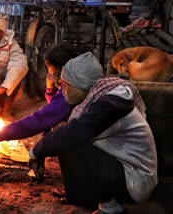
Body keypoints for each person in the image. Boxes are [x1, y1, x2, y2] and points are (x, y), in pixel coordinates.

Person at [29, 52, 157, 214]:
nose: (63, 90)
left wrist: (36, 152)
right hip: (125, 170)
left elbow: (72, 132)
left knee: (72, 144)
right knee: (64, 133)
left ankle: (110, 208)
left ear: (81, 85)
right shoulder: (99, 97)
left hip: (136, 182)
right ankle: (108, 204)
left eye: (66, 85)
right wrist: (42, 150)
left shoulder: (110, 105)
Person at [0, 43, 81, 152]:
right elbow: (55, 107)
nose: (54, 79)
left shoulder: (72, 92)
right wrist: (50, 87)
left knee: (58, 127)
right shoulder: (77, 80)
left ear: (67, 70)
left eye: (55, 75)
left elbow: (40, 119)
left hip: (86, 144)